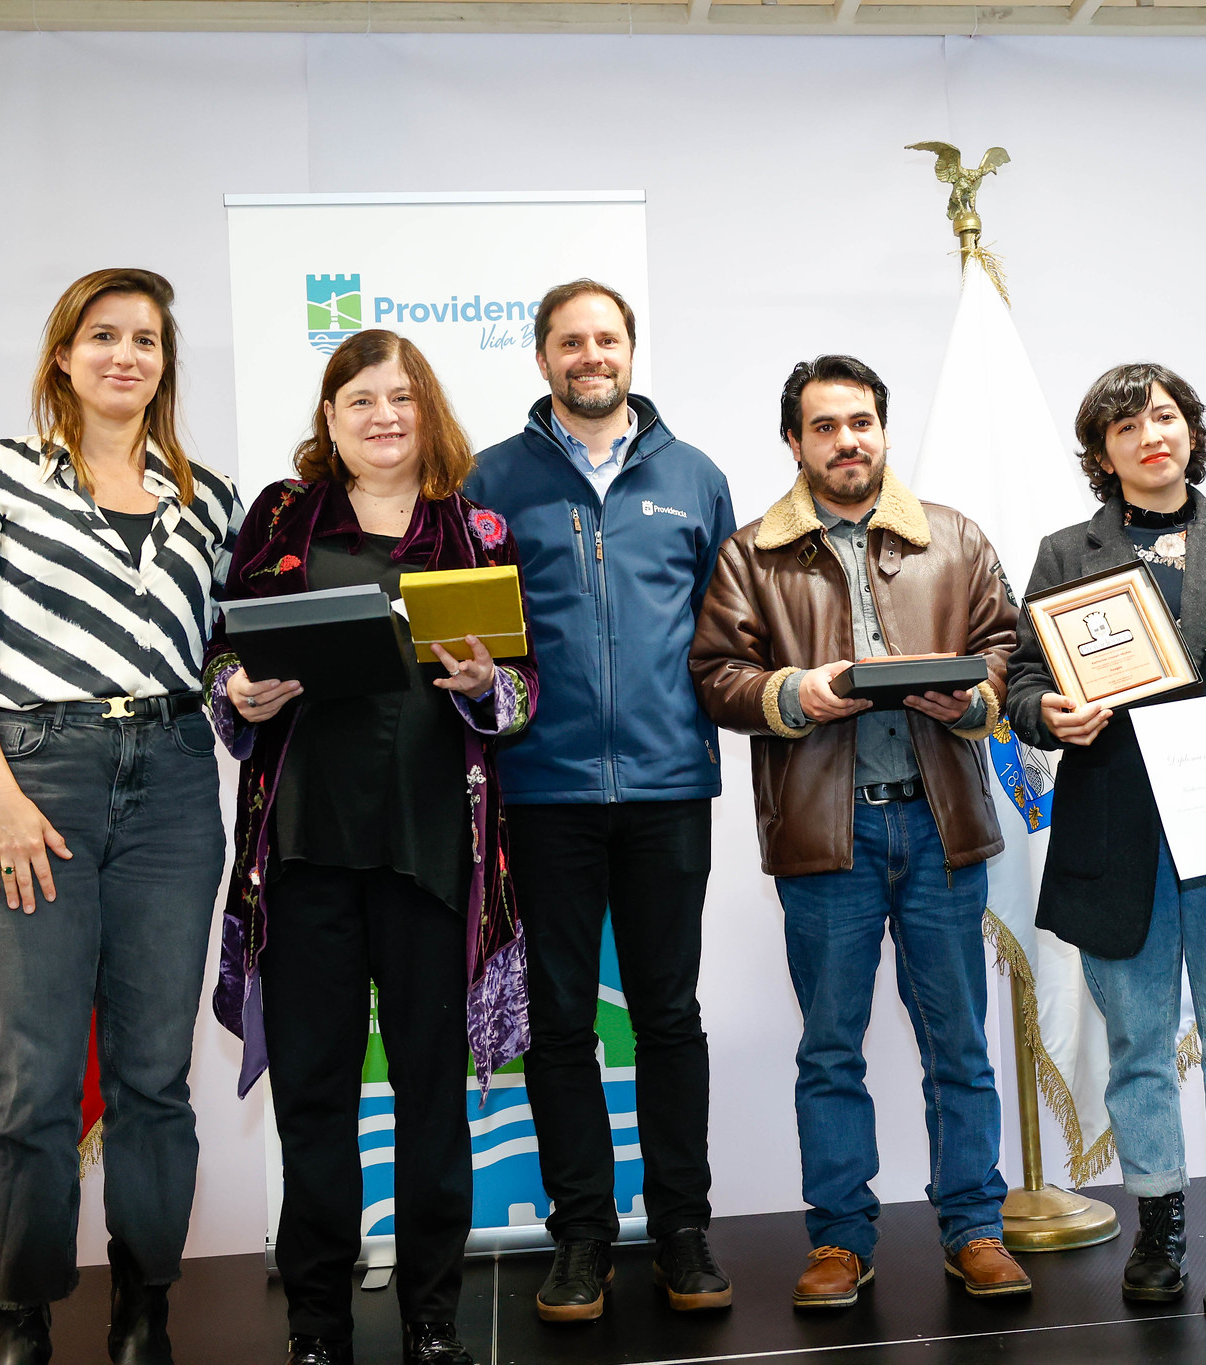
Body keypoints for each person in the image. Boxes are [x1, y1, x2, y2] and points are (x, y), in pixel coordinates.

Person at [0, 268, 240, 1365]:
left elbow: (228, 653)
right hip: (35, 781)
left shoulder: (210, 501)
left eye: (145, 339)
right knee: (36, 1075)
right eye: (103, 335)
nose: (125, 355)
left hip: (175, 786)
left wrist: (249, 685)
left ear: (164, 364)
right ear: (63, 356)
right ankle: (21, 1316)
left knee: (154, 1077)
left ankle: (144, 1309)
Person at [206, 330, 538, 1365]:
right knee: (313, 1099)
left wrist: (488, 686)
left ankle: (433, 1320)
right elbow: (224, 651)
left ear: (425, 409)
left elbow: (525, 688)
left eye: (400, 397)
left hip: (431, 856)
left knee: (432, 1099)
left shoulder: (477, 529)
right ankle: (315, 1325)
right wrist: (236, 690)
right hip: (304, 853)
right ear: (330, 416)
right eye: (359, 399)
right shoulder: (281, 516)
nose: (382, 416)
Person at [690, 354, 1030, 1309]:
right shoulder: (750, 554)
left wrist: (972, 697)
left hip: (940, 827)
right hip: (824, 839)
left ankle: (975, 1227)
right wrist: (796, 692)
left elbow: (1006, 647)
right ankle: (840, 1240)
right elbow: (714, 675)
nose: (848, 441)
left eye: (862, 422)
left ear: (883, 429)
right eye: (826, 426)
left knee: (958, 1043)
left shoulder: (955, 537)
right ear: (794, 442)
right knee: (831, 1049)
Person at [1004, 363, 1206, 1316]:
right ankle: (1158, 1220)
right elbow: (1022, 679)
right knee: (1138, 1043)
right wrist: (1048, 713)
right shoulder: (1067, 552)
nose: (1152, 435)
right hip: (1117, 833)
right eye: (1128, 425)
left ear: (1191, 431)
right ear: (1103, 453)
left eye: (1167, 416)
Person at [465, 279, 736, 1320]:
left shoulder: (695, 477)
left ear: (630, 349)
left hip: (669, 788)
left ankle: (682, 1230)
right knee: (560, 1023)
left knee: (668, 1016)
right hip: (542, 789)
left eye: (607, 338)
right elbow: (477, 640)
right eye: (570, 341)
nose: (591, 355)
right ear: (541, 357)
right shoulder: (490, 480)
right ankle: (579, 1234)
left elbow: (726, 636)